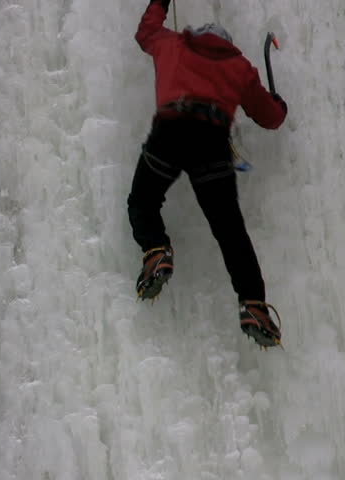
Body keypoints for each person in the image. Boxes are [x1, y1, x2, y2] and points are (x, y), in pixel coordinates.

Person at [128, 0, 288, 348]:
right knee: (230, 232)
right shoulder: (239, 66)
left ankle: (156, 250)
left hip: (170, 131)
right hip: (210, 141)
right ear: (227, 44)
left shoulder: (173, 44)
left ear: (196, 35)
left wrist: (161, 1)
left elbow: (145, 33)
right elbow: (270, 117)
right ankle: (253, 306)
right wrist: (279, 103)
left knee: (142, 201)